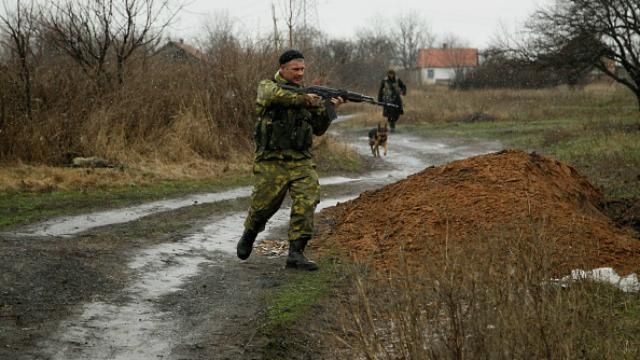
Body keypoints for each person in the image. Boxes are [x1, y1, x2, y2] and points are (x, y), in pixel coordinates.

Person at [236, 49, 343, 271]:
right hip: (271, 159)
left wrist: (329, 108)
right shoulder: (268, 86)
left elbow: (319, 129)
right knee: (264, 204)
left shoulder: (309, 95)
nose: (300, 74)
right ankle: (250, 232)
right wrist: (304, 99)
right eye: (295, 69)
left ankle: (296, 253)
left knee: (308, 198)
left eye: (302, 69)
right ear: (282, 69)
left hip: (300, 160)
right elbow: (273, 97)